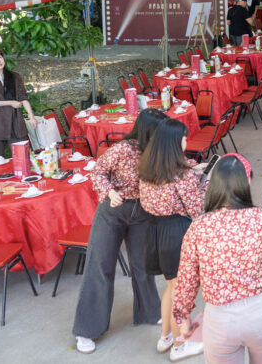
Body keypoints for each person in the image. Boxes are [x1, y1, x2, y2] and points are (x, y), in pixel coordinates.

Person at [173, 154, 262, 364]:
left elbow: (186, 278)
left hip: (220, 319)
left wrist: (183, 316)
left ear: (213, 185)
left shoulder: (199, 226)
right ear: (247, 183)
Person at [73, 109, 167, 354]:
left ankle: (149, 311)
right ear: (147, 131)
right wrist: (109, 192)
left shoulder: (157, 149)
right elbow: (97, 171)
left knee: (143, 265)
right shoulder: (124, 149)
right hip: (113, 209)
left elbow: (175, 167)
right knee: (100, 266)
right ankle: (87, 330)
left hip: (142, 210)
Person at [139, 118, 207, 361]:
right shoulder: (182, 176)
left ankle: (166, 337)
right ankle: (180, 346)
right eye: (184, 138)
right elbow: (197, 209)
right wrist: (205, 183)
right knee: (181, 294)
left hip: (155, 231)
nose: (187, 141)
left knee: (171, 287)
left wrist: (192, 168)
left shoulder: (148, 168)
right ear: (176, 143)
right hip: (177, 232)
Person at [0, 47, 36, 159]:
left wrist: (31, 116)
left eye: (0, 57)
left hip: (15, 122)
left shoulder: (14, 76)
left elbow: (23, 97)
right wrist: (10, 102)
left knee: (23, 158)